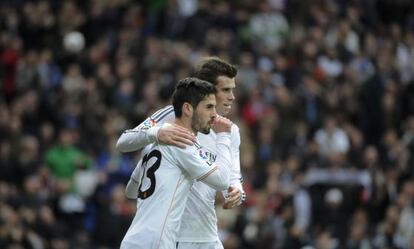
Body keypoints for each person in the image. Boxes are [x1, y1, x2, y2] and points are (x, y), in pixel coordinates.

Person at [117, 57, 245, 249]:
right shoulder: (171, 117)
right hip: (172, 236)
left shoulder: (229, 130)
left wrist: (237, 192)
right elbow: (124, 142)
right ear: (207, 89)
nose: (232, 96)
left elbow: (233, 178)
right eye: (226, 90)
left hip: (206, 234)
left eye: (233, 89)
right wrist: (156, 132)